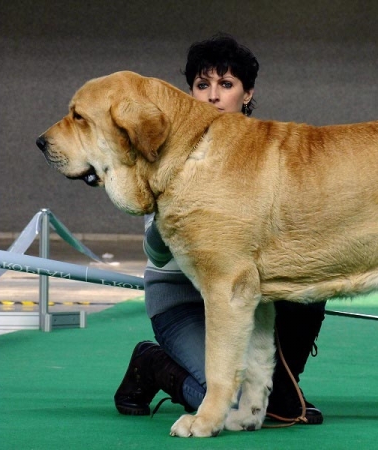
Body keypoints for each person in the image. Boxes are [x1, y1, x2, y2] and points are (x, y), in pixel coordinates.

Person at [114, 33, 326, 425]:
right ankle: (153, 363)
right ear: (190, 91)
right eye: (202, 85)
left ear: (247, 95)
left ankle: (283, 387)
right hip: (183, 302)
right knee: (227, 405)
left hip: (247, 296)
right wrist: (172, 208)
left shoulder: (267, 150)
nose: (212, 96)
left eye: (226, 85)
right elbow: (158, 253)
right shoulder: (164, 146)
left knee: (312, 285)